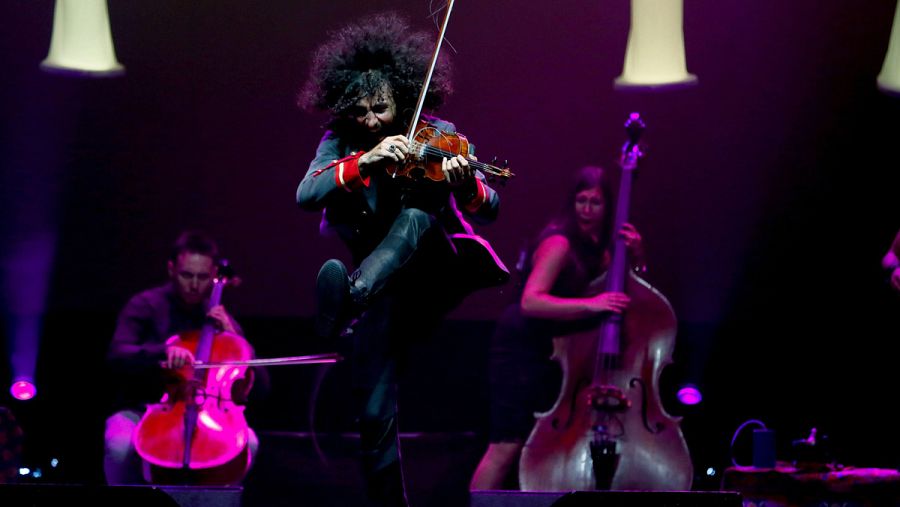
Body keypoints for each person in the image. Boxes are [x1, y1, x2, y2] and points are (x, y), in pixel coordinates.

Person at [296, 12, 505, 507]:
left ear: (404, 97)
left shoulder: (437, 133)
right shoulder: (342, 140)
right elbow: (306, 194)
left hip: (434, 271)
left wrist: (465, 184)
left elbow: (492, 206)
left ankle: (349, 297)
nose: (371, 121)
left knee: (416, 212)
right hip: (384, 287)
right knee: (373, 410)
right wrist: (365, 160)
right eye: (360, 111)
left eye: (381, 109)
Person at [469, 165, 646, 491]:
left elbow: (625, 292)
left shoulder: (600, 249)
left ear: (607, 207)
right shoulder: (560, 242)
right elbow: (531, 302)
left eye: (595, 202)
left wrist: (636, 256)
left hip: (552, 353)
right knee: (505, 445)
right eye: (581, 201)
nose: (587, 210)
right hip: (521, 348)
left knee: (538, 442)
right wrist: (592, 305)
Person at [103, 230, 263, 486]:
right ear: (171, 269)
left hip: (207, 414)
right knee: (119, 445)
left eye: (203, 277)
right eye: (187, 275)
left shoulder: (219, 318)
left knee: (248, 444)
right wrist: (162, 351)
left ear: (213, 275)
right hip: (144, 407)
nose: (195, 285)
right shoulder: (145, 305)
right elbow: (117, 353)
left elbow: (262, 384)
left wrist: (234, 336)